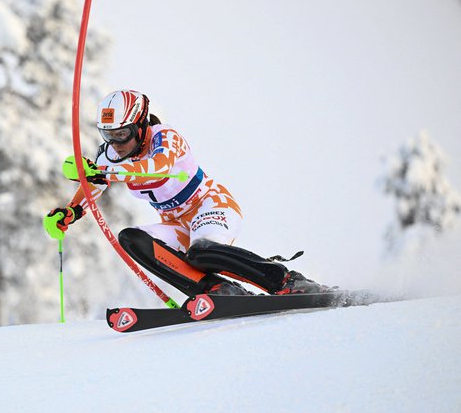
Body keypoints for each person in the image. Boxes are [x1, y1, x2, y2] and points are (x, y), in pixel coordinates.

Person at [45, 89, 329, 297]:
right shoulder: (111, 155)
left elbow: (157, 168)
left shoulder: (166, 138)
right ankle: (217, 289)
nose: (116, 144)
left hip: (210, 205)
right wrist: (71, 211)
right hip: (175, 222)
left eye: (123, 133)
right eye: (108, 135)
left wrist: (105, 172)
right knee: (131, 239)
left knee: (201, 252)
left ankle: (287, 281)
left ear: (141, 124)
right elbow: (93, 186)